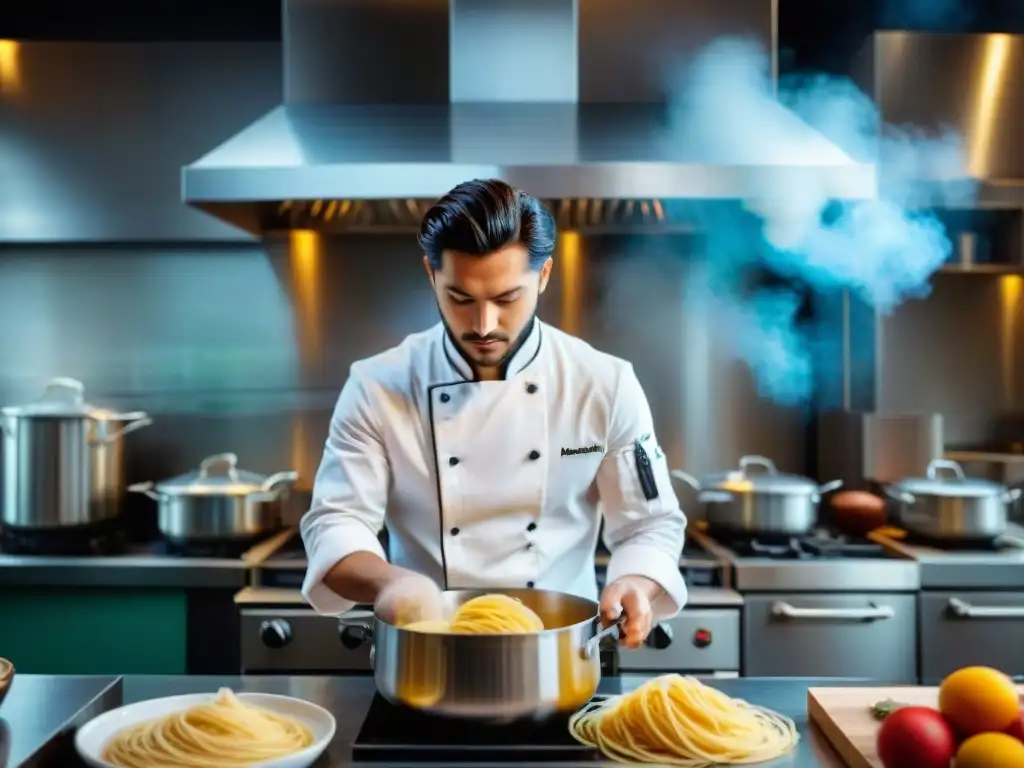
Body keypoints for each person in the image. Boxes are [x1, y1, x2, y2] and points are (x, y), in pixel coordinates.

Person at [300, 179, 687, 648]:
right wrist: (390, 583)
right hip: (427, 651)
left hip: (562, 654)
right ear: (431, 274)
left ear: (544, 276)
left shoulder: (603, 383)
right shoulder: (378, 385)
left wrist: (637, 582)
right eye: (460, 298)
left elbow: (650, 523)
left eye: (506, 299)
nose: (483, 325)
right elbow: (335, 522)